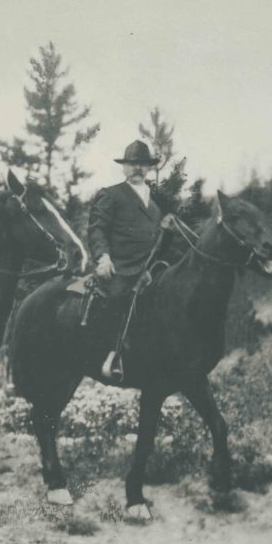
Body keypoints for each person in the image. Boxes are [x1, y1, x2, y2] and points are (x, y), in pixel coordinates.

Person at [87, 140, 163, 381]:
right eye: (132, 163)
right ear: (124, 167)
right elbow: (97, 229)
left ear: (148, 168)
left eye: (142, 164)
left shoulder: (155, 206)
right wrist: (103, 257)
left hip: (148, 270)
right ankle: (112, 354)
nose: (137, 168)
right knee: (116, 298)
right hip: (120, 268)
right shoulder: (111, 195)